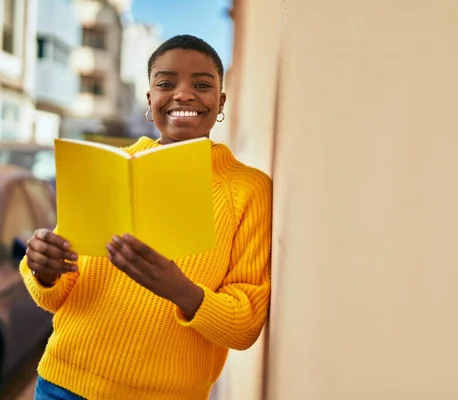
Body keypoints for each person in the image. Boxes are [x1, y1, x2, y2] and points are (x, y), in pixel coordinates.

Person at [21, 35, 272, 400]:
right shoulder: (106, 170)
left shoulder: (247, 190)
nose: (183, 94)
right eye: (166, 83)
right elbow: (55, 296)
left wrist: (180, 290)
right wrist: (42, 269)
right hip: (62, 384)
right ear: (150, 99)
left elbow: (245, 325)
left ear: (220, 102)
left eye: (202, 84)